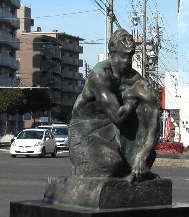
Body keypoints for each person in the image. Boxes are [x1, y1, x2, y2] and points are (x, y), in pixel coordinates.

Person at [68, 29, 159, 183]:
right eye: (123, 38)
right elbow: (118, 117)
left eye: (130, 38)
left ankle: (132, 164)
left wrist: (143, 154)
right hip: (86, 132)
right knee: (112, 162)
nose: (129, 40)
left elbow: (153, 121)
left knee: (146, 156)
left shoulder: (138, 82)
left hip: (115, 133)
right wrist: (131, 101)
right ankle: (84, 166)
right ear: (113, 48)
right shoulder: (100, 73)